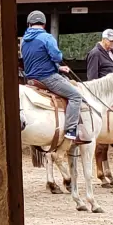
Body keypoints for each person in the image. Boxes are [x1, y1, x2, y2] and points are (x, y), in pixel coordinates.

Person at [21, 10, 82, 141]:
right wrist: (58, 63)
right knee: (76, 96)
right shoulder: (47, 37)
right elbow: (57, 56)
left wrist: (59, 68)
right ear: (43, 24)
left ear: (29, 24)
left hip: (31, 78)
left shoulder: (24, 41)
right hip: (48, 78)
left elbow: (37, 60)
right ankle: (71, 129)